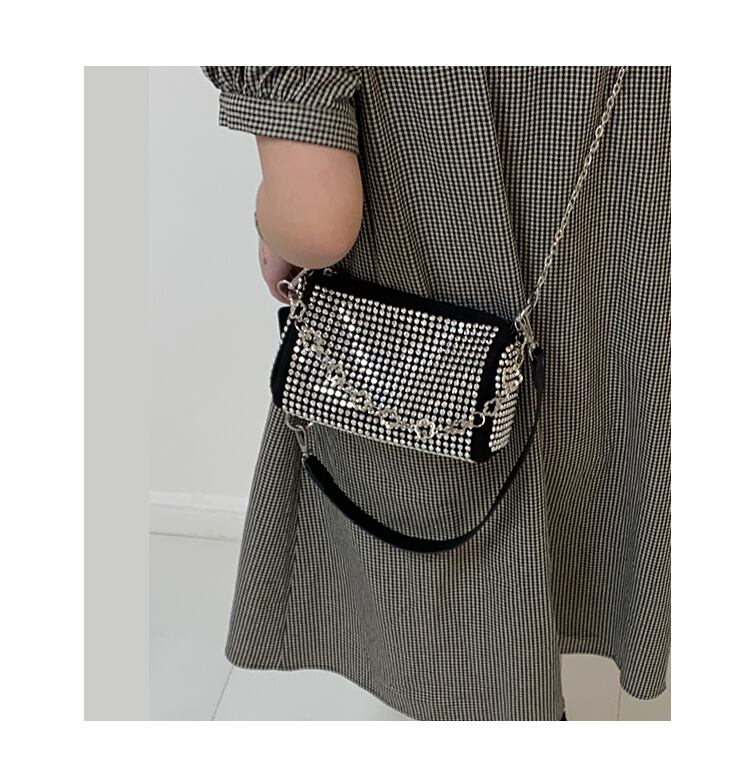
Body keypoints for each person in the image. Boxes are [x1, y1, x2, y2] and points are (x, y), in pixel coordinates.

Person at [201, 66, 670, 721]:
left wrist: (268, 225)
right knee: (595, 502)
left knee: (464, 617)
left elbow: (313, 223)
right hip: (624, 298)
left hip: (420, 307)